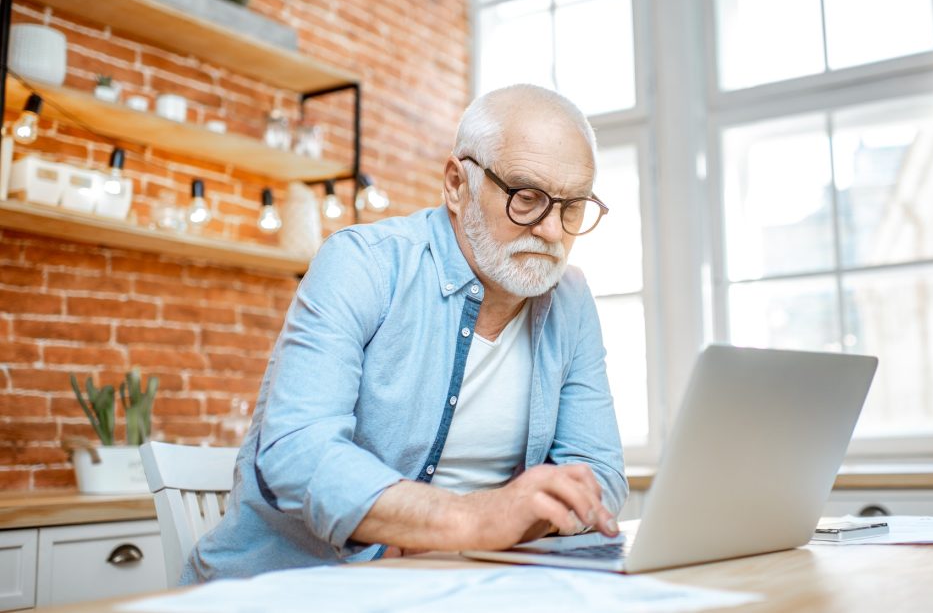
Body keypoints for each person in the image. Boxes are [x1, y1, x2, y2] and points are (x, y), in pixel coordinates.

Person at [181, 84, 627, 582]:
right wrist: (466, 521)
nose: (551, 230)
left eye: (573, 207)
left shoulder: (571, 299)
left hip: (464, 584)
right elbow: (298, 453)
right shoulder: (362, 263)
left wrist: (499, 527)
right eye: (526, 198)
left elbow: (600, 475)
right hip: (295, 589)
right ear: (457, 184)